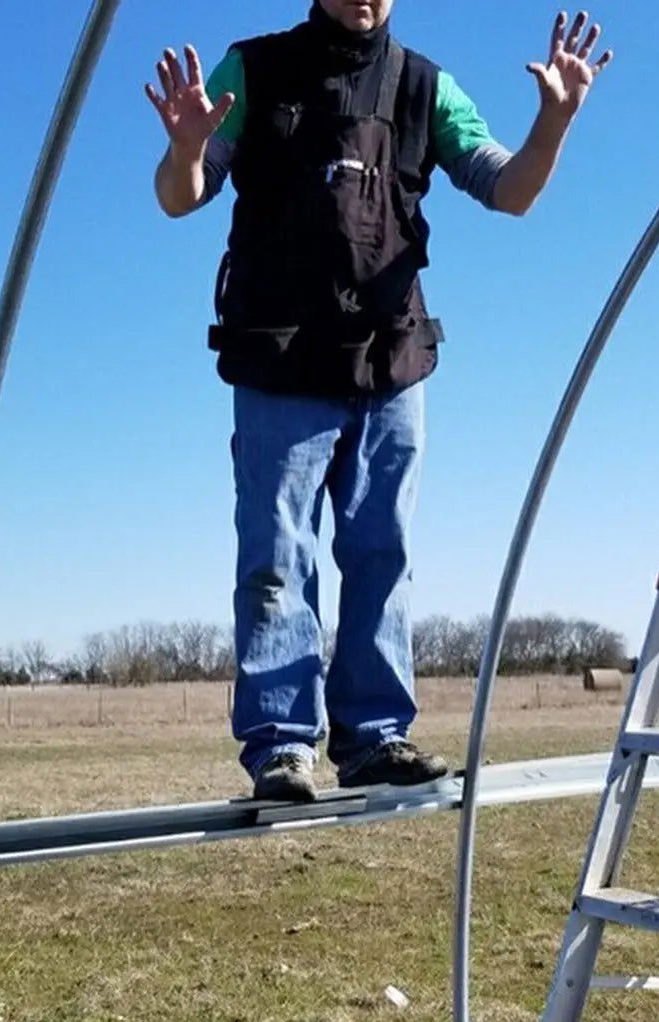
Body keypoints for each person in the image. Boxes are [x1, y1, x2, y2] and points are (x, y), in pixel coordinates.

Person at [146, 2, 612, 802]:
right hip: (280, 357)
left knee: (381, 553)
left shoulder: (426, 86)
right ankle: (282, 746)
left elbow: (511, 191)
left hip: (390, 360)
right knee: (274, 558)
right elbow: (180, 195)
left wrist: (555, 123)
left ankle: (374, 737)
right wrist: (186, 148)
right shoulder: (250, 69)